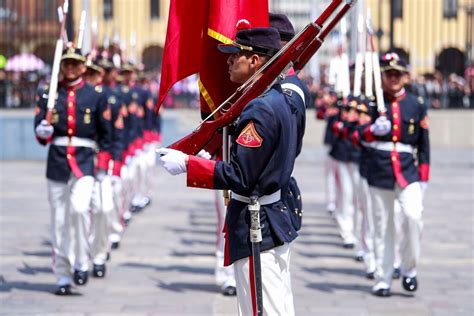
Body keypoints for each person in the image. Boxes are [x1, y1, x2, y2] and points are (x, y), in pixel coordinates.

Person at [158, 26, 299, 315]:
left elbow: (241, 177)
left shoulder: (259, 110)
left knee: (260, 310)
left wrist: (187, 165)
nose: (228, 61)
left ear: (256, 61)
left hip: (258, 228)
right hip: (272, 219)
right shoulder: (276, 100)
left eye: (236, 55)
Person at [34, 43, 112, 295]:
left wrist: (102, 165)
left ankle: (82, 261)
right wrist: (41, 131)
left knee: (79, 210)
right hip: (57, 161)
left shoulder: (95, 95)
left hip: (84, 161)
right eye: (66, 63)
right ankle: (62, 275)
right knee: (58, 220)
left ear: (82, 66)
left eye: (75, 64)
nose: (70, 68)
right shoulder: (49, 94)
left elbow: (106, 135)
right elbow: (40, 133)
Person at [360, 52, 430, 297]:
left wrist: (424, 178)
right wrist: (372, 129)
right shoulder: (370, 104)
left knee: (413, 217)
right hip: (379, 170)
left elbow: (424, 144)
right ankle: (383, 277)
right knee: (382, 226)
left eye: (397, 74)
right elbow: (356, 135)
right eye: (389, 74)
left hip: (407, 171)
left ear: (405, 77)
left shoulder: (416, 104)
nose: (393, 78)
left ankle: (409, 268)